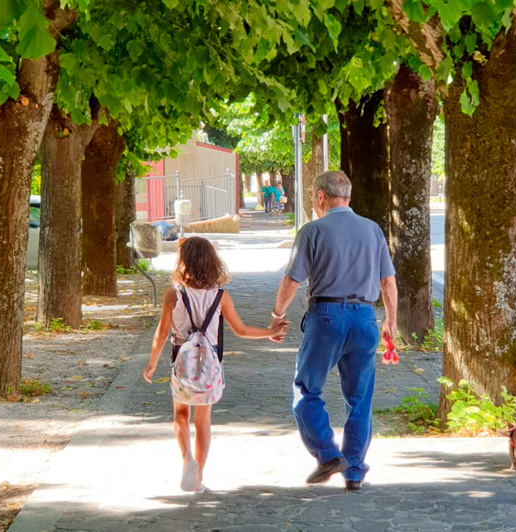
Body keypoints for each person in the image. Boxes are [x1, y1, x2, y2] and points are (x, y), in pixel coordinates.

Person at [269, 170, 397, 492]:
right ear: (349, 198)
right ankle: (353, 471)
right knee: (360, 400)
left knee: (305, 390)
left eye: (314, 198)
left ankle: (327, 454)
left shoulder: (312, 231)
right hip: (366, 319)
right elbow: (387, 281)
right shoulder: (373, 230)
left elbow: (292, 280)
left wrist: (277, 315)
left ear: (321, 197)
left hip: (326, 317)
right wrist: (391, 321)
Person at [144, 237, 287, 494]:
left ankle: (187, 459)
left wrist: (151, 364)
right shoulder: (220, 297)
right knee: (203, 420)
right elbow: (241, 330)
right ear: (212, 263)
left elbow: (161, 334)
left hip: (182, 365)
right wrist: (269, 332)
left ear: (183, 263)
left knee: (180, 415)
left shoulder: (173, 295)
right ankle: (198, 478)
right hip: (209, 368)